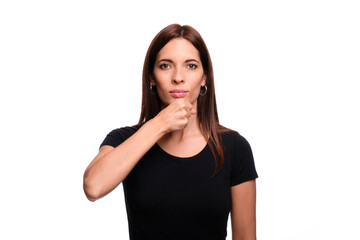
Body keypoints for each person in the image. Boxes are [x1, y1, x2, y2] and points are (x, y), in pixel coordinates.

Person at [83, 23, 258, 240]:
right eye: (165, 66)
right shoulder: (125, 139)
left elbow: (245, 237)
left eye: (191, 66)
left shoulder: (234, 148)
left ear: (205, 78)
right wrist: (159, 124)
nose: (178, 77)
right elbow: (93, 186)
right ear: (151, 77)